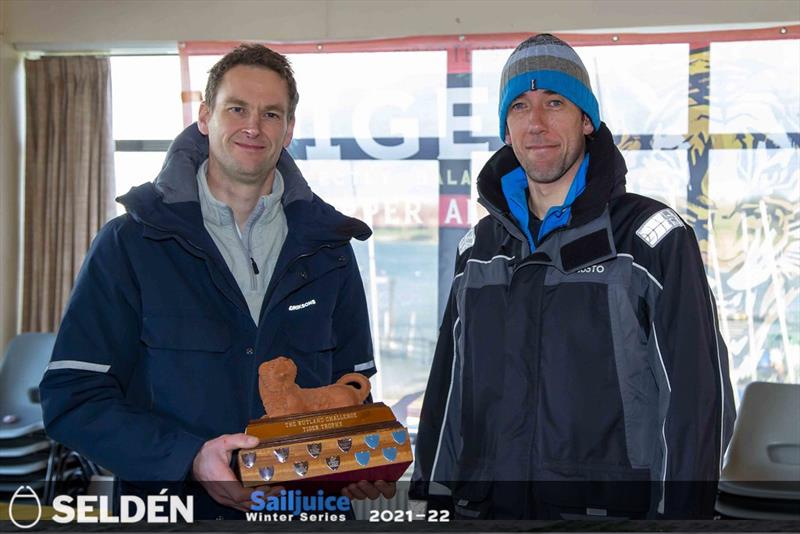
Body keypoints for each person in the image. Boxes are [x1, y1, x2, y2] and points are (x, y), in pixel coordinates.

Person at [40, 44, 394, 519]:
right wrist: (187, 458)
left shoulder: (330, 249)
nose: (254, 126)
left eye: (272, 113)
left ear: (289, 130)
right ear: (205, 116)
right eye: (237, 108)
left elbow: (352, 390)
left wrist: (354, 464)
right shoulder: (130, 244)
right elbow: (73, 399)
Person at [411, 34, 736, 519]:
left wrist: (682, 520)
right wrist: (432, 503)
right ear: (506, 126)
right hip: (485, 511)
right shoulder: (479, 249)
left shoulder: (650, 240)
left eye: (554, 102)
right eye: (519, 106)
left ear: (586, 120)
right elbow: (449, 388)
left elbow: (697, 401)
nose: (536, 122)